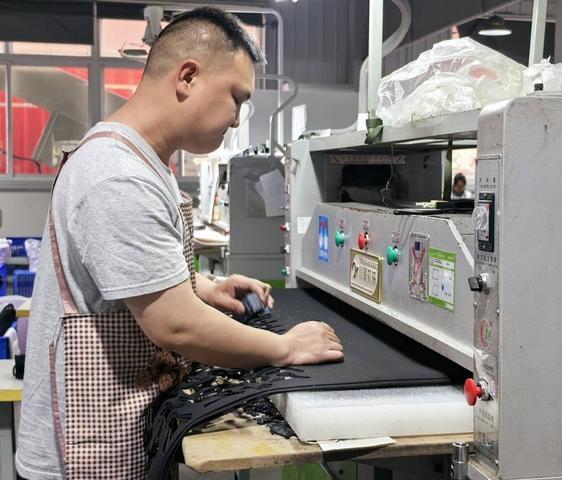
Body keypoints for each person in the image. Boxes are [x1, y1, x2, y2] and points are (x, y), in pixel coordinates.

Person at [16, 8, 343, 480]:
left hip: (118, 425)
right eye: (236, 98)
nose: (237, 119)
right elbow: (175, 325)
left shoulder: (145, 162)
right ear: (188, 77)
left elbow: (126, 279)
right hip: (77, 455)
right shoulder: (118, 175)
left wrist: (204, 287)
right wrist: (284, 347)